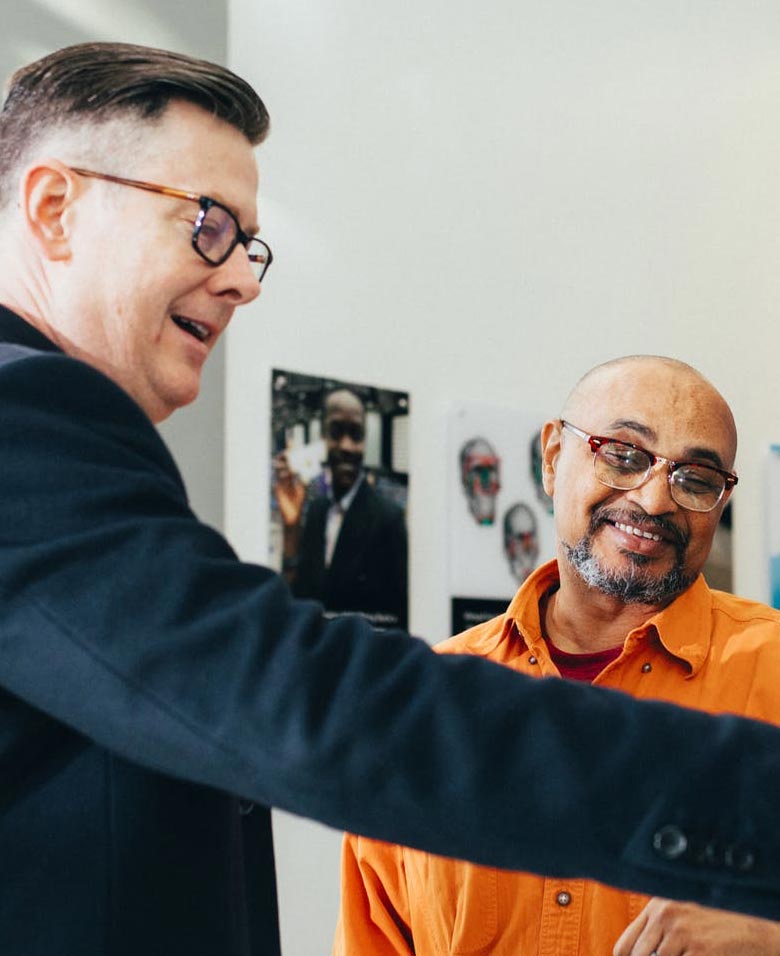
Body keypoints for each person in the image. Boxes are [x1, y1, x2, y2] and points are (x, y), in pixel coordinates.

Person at [1, 43, 780, 956]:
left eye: (250, 244)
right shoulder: (24, 418)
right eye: (208, 224)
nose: (244, 278)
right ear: (54, 209)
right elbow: (304, 699)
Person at [334, 355, 780, 956]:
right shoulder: (422, 709)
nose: (654, 501)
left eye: (696, 479)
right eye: (623, 454)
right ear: (552, 458)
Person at [274, 387, 408, 627]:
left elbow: (397, 621)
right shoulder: (316, 511)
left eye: (356, 435)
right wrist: (291, 529)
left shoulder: (388, 519)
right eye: (336, 432)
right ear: (323, 437)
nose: (346, 446)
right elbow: (298, 602)